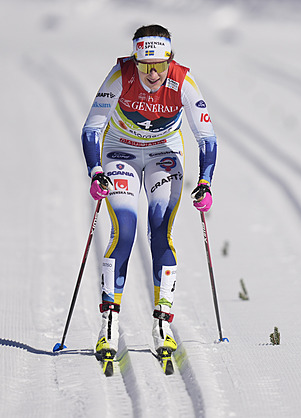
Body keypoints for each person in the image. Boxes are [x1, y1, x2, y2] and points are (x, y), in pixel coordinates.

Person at [81, 24, 217, 362]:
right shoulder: (120, 75)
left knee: (160, 230)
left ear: (169, 59)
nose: (153, 74)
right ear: (135, 60)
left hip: (164, 156)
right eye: (145, 66)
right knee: (124, 231)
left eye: (159, 65)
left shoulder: (182, 79)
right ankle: (109, 323)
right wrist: (96, 171)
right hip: (120, 153)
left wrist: (204, 182)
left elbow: (207, 137)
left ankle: (163, 324)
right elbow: (92, 128)